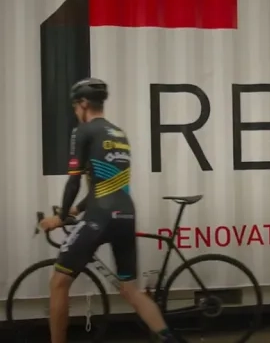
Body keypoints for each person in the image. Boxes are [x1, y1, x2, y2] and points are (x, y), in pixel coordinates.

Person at [39, 78, 185, 343]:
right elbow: (107, 185)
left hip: (100, 216)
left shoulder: (83, 131)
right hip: (125, 215)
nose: (75, 111)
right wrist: (75, 209)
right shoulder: (119, 134)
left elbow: (74, 181)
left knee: (58, 283)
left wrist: (60, 218)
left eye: (75, 106)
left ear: (84, 104)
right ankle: (169, 339)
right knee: (130, 289)